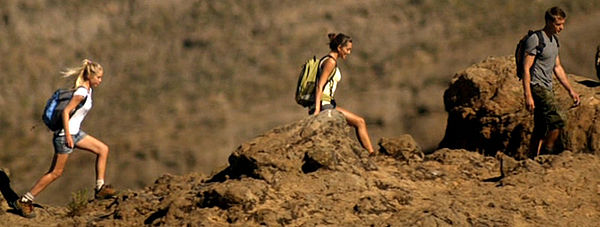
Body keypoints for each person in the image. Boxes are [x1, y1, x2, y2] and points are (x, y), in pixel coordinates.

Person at [11, 59, 116, 218]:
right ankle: (25, 200)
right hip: (65, 136)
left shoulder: (88, 90)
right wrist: (67, 135)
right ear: (90, 76)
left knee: (103, 149)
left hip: (76, 133)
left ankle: (100, 189)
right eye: (98, 77)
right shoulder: (81, 93)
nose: (100, 81)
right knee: (55, 173)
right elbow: (65, 112)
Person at [522, 7, 580, 157]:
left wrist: (570, 90)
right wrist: (528, 95)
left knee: (541, 127)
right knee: (559, 119)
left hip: (548, 86)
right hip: (537, 86)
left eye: (562, 24)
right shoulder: (536, 39)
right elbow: (526, 69)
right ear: (548, 22)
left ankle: (531, 159)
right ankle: (545, 155)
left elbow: (557, 67)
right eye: (558, 24)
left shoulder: (554, 40)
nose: (561, 28)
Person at [310, 33, 375, 155]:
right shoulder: (330, 62)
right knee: (360, 122)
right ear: (339, 48)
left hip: (327, 104)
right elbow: (320, 85)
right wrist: (317, 110)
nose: (349, 52)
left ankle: (371, 153)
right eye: (347, 49)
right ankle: (372, 154)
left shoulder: (327, 59)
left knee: (358, 122)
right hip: (325, 105)